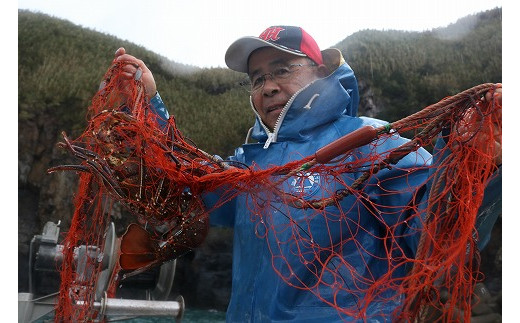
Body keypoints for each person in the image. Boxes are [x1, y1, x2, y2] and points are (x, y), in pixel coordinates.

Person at [113, 26, 501, 322]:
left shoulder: (370, 141)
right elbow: (186, 182)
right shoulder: (251, 163)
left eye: (281, 69)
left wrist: (473, 161)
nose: (267, 87)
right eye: (257, 79)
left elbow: (430, 231)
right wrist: (148, 104)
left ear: (319, 72)